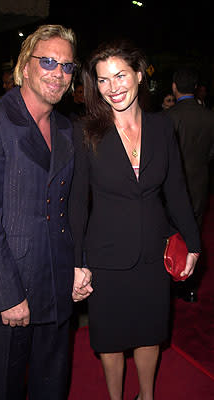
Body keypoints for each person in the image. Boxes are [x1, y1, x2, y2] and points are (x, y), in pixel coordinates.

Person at [0, 24, 92, 400]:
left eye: (67, 66)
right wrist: (8, 295)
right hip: (8, 291)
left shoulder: (67, 129)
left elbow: (72, 209)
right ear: (25, 66)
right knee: (4, 389)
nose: (58, 72)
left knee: (52, 387)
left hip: (55, 288)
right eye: (48, 61)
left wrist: (78, 265)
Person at [69, 39, 200, 400]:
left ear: (139, 75)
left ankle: (147, 395)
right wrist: (77, 262)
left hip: (152, 255)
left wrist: (192, 242)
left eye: (120, 75)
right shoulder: (86, 132)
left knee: (149, 332)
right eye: (103, 80)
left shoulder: (162, 127)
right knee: (109, 340)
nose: (113, 87)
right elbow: (78, 203)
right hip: (106, 256)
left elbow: (176, 190)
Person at [168, 68, 214, 302]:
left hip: (172, 186)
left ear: (174, 86)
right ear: (195, 87)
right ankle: (190, 288)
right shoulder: (209, 116)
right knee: (193, 232)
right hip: (199, 183)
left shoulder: (168, 117)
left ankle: (172, 281)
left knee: (171, 235)